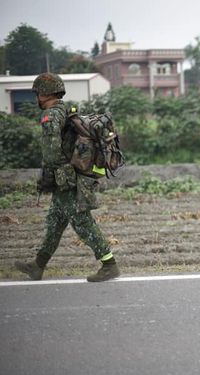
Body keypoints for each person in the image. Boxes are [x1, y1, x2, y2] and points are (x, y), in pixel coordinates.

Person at [14, 72, 119, 282]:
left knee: (81, 221)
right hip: (70, 176)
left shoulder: (51, 115)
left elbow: (51, 150)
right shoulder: (65, 109)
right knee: (55, 221)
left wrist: (50, 176)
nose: (36, 98)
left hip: (66, 179)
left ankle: (109, 265)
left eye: (37, 94)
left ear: (44, 94)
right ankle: (38, 265)